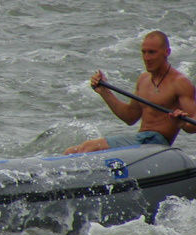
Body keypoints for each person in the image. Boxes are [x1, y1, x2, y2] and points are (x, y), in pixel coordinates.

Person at [64, 30, 196, 155]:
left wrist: (182, 123)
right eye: (143, 52)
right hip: (140, 140)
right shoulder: (143, 79)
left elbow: (193, 124)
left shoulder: (179, 82)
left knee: (88, 147)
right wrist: (104, 92)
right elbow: (130, 117)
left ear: (167, 52)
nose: (146, 58)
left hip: (156, 144)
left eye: (152, 52)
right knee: (72, 151)